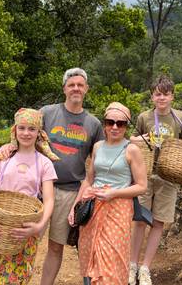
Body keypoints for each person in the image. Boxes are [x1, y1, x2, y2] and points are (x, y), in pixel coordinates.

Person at [0, 68, 104, 285]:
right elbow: (25, 129)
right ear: (64, 88)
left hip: (68, 192)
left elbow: (100, 156)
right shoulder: (47, 112)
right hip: (36, 188)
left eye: (80, 85)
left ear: (86, 89)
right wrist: (10, 145)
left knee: (55, 245)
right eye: (71, 84)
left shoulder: (94, 124)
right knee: (23, 240)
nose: (76, 88)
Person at [129, 75, 182, 285]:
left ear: (172, 96)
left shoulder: (180, 117)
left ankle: (145, 267)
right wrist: (141, 139)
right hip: (145, 175)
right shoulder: (144, 117)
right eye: (157, 94)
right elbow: (131, 140)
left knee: (158, 222)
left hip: (169, 177)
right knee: (139, 221)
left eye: (165, 94)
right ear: (152, 96)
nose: (161, 98)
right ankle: (132, 265)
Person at [0, 108, 59, 284]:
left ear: (39, 133)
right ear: (15, 130)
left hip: (23, 231)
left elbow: (50, 199)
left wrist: (39, 226)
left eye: (31, 129)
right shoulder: (2, 157)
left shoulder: (44, 163)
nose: (26, 133)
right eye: (22, 128)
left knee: (17, 278)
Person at [69, 102, 147, 284]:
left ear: (127, 126)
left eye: (120, 123)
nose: (114, 127)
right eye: (110, 122)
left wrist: (114, 193)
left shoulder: (132, 150)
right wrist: (75, 205)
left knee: (112, 258)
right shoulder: (97, 147)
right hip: (92, 207)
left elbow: (142, 186)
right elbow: (89, 180)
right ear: (104, 123)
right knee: (91, 254)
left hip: (118, 209)